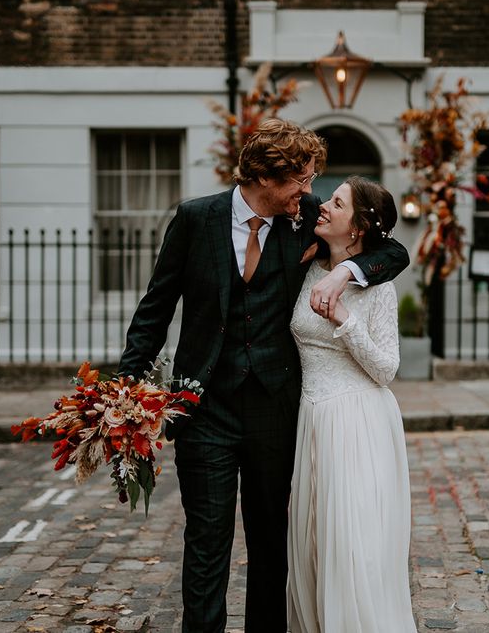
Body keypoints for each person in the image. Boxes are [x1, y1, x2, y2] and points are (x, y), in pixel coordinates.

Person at [117, 119, 409, 633]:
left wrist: (345, 271)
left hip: (275, 409)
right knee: (206, 543)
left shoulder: (305, 220)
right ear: (265, 178)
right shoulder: (195, 218)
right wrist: (126, 390)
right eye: (301, 180)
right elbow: (155, 308)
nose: (310, 192)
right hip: (202, 405)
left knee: (272, 545)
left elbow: (391, 249)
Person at [287, 176, 417, 633]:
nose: (323, 206)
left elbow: (386, 369)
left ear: (358, 226)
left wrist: (344, 320)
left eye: (336, 203)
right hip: (312, 417)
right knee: (314, 546)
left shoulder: (378, 288)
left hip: (357, 422)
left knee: (350, 546)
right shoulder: (309, 264)